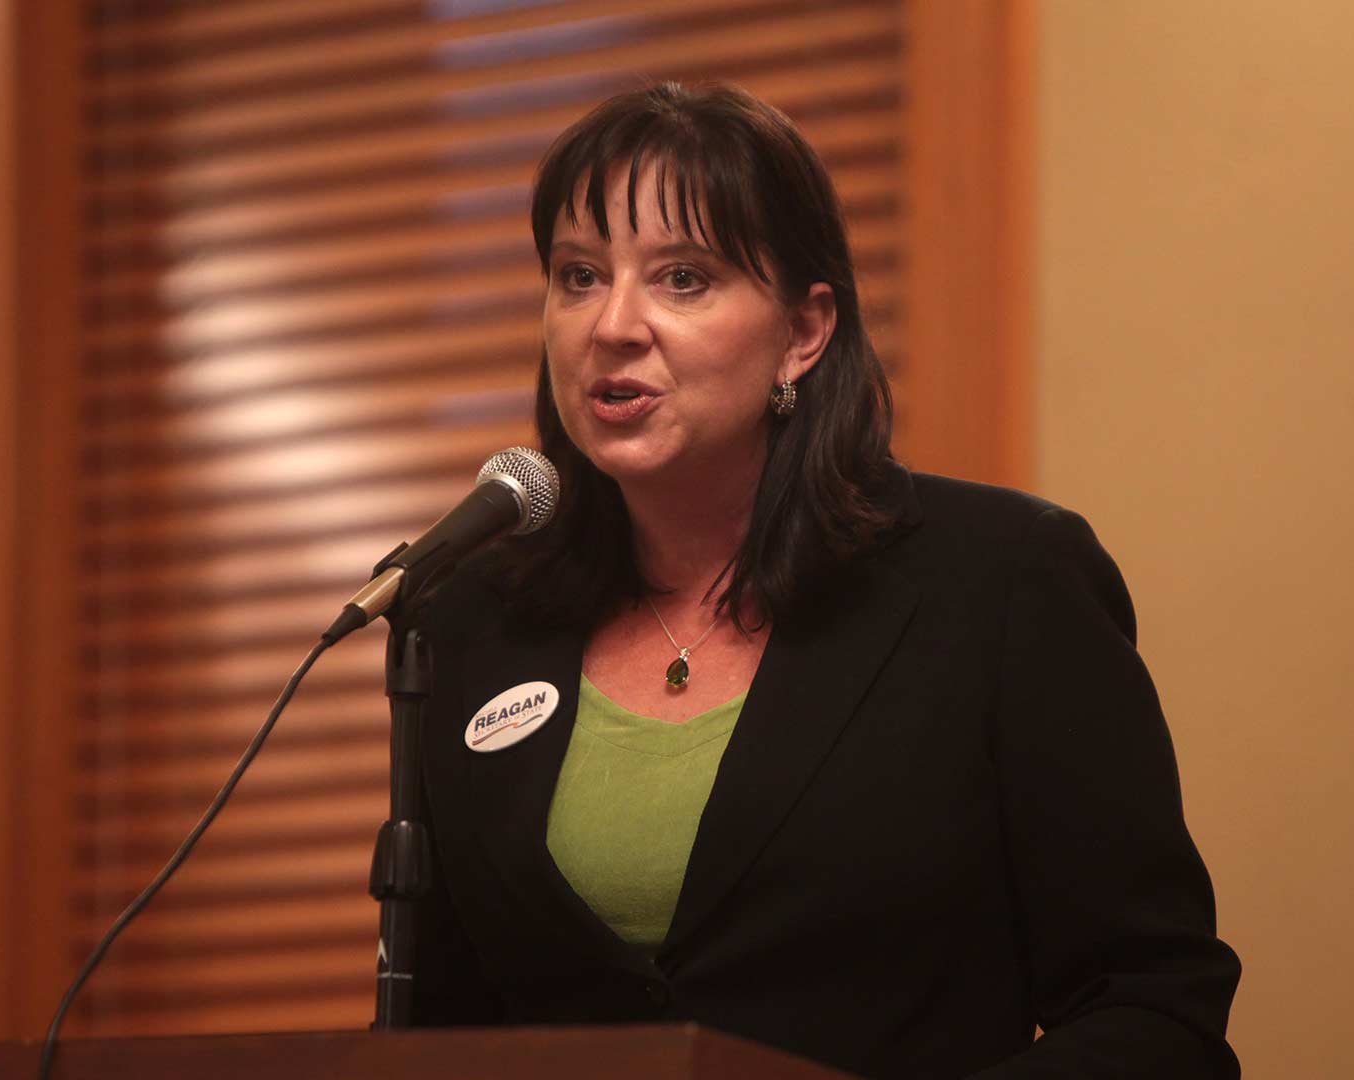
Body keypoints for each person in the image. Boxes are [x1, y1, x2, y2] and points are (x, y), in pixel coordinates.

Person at [410, 81, 1241, 1079]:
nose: (612, 325)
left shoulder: (1002, 586)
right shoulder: (470, 621)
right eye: (579, 275)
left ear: (804, 334)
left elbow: (1155, 1008)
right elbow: (440, 1034)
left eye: (683, 278)